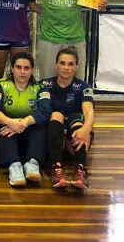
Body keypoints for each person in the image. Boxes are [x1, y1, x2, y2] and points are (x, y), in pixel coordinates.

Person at [0, 52, 51, 187]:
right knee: (2, 127)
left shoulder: (40, 88)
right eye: (18, 67)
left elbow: (45, 111)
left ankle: (32, 164)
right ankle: (15, 167)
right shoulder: (1, 86)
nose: (22, 72)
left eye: (26, 68)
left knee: (40, 125)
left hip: (27, 133)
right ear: (12, 69)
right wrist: (10, 122)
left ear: (32, 70)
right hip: (5, 134)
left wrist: (23, 122)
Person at [41, 47, 95, 189]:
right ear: (56, 64)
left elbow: (89, 110)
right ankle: (56, 169)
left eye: (70, 64)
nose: (66, 68)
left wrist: (85, 129)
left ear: (76, 67)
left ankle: (81, 170)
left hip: (75, 134)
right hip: (54, 132)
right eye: (62, 63)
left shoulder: (83, 87)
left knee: (77, 117)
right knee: (56, 114)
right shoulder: (45, 85)